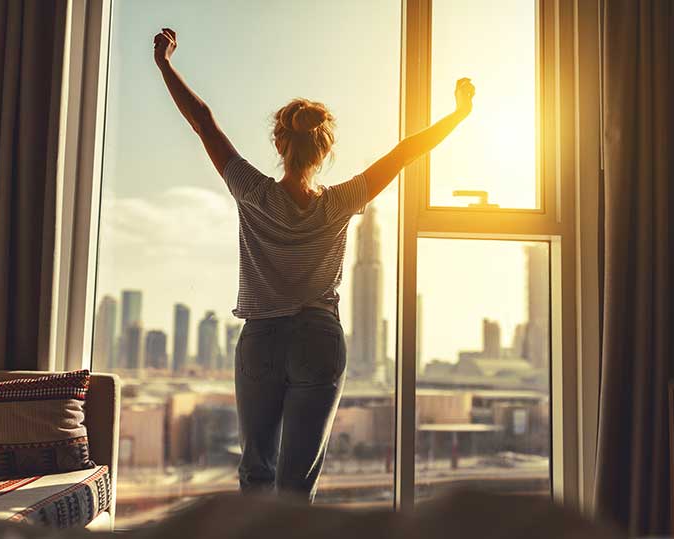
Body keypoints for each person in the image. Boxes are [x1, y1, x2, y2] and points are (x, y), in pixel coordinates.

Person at [153, 28, 475, 502]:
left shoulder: (253, 191)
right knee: (296, 487)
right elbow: (406, 152)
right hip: (318, 339)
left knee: (255, 472)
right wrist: (459, 114)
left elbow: (204, 121)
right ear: (324, 151)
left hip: (261, 338)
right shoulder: (341, 201)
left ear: (279, 143)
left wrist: (164, 62)